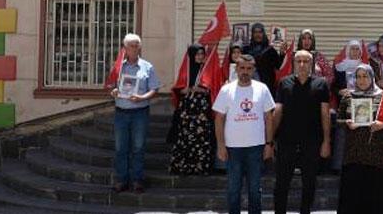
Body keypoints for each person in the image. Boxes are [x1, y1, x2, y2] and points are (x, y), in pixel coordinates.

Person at [213, 54, 275, 214]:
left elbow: (269, 117)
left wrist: (269, 144)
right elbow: (219, 119)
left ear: (254, 70)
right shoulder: (226, 90)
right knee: (233, 190)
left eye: (249, 68)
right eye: (242, 68)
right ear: (236, 69)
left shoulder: (262, 89)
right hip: (233, 148)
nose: (245, 72)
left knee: (255, 190)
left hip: (256, 147)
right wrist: (220, 145)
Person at [272, 50, 331, 214]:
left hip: (312, 141)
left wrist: (326, 141)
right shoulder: (284, 83)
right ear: (294, 63)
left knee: (309, 182)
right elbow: (277, 112)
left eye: (306, 61)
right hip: (286, 140)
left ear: (311, 64)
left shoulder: (321, 84)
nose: (302, 64)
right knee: (282, 182)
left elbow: (325, 114)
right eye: (299, 61)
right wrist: (269, 139)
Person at [336, 64, 383, 214]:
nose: (361, 80)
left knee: (376, 201)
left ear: (372, 77)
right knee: (352, 200)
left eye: (365, 76)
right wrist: (346, 123)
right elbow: (338, 120)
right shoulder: (348, 96)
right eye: (358, 77)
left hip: (377, 156)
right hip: (353, 156)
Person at [109, 33, 160, 193]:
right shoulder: (118, 67)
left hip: (140, 112)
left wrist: (142, 97)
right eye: (131, 45)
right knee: (121, 148)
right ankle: (122, 180)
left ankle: (137, 180)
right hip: (121, 112)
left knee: (138, 147)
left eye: (137, 45)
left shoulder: (147, 67)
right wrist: (114, 91)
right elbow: (111, 85)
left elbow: (154, 88)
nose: (135, 48)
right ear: (125, 48)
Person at [168, 44, 214, 175]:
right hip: (187, 109)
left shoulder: (206, 69)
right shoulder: (186, 70)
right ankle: (184, 167)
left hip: (201, 109)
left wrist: (201, 90)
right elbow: (178, 88)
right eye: (197, 54)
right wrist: (184, 90)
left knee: (201, 137)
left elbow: (212, 87)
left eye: (202, 54)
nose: (200, 57)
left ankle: (200, 167)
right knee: (185, 136)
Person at [331, 39, 366, 172]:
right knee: (342, 134)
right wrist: (340, 91)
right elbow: (333, 86)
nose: (355, 52)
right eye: (353, 49)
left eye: (357, 49)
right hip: (344, 104)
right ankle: (339, 166)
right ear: (347, 51)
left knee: (360, 134)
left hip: (361, 104)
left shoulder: (366, 67)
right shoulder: (340, 67)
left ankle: (360, 164)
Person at [242, 22, 282, 92]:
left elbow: (279, 66)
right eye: (255, 32)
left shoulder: (270, 50)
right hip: (249, 84)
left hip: (267, 86)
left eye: (260, 32)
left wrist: (282, 54)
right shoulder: (246, 49)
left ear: (263, 33)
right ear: (252, 34)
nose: (258, 35)